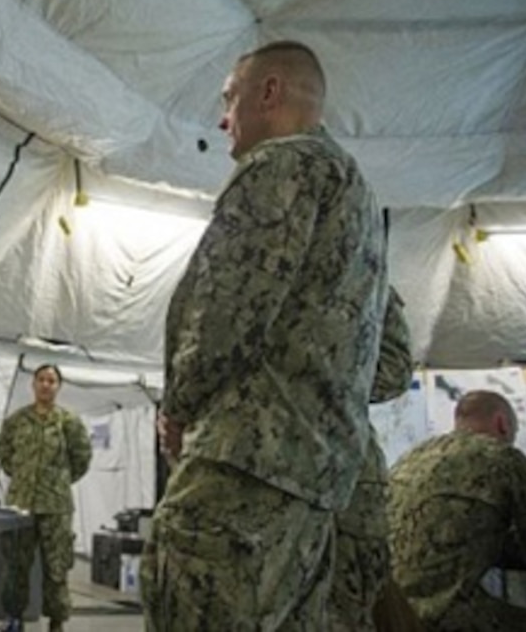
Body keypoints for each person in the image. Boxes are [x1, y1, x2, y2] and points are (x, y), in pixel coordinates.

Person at [141, 40, 388, 630]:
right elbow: (393, 355)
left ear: (269, 92)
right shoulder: (358, 202)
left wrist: (178, 409)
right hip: (314, 482)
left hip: (245, 467)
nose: (224, 119)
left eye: (230, 99)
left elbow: (227, 312)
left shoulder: (282, 164)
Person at [387, 390, 526, 630]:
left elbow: (449, 534)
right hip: (442, 616)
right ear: (502, 424)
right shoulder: (503, 458)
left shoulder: (412, 457)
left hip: (389, 613)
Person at [330, 288, 414, 631]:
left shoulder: (359, 269)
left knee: (348, 607)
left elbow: (391, 371)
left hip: (341, 478)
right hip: (334, 472)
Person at [0, 364, 92, 632]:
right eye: (41, 379)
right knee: (16, 565)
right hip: (21, 505)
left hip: (56, 506)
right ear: (33, 384)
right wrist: (25, 477)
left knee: (56, 567)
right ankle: (13, 618)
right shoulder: (16, 421)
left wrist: (57, 482)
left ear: (58, 386)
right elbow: (4, 455)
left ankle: (57, 622)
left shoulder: (69, 422)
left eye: (52, 380)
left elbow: (81, 459)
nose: (46, 384)